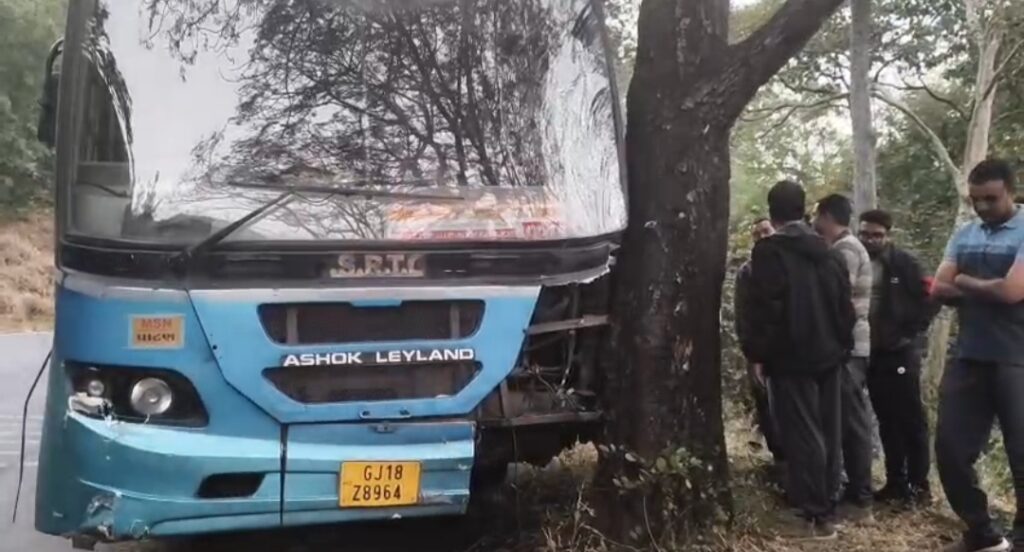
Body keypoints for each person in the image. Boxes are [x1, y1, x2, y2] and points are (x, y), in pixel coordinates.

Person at [745, 181, 855, 541]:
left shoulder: (769, 253)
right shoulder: (829, 252)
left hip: (790, 357)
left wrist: (757, 354)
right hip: (830, 356)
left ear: (772, 211)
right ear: (803, 209)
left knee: (803, 434)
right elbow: (845, 308)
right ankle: (828, 508)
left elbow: (766, 308)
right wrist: (841, 345)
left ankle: (815, 517)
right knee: (828, 432)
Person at [932, 158, 1024, 552]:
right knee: (950, 449)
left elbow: (1012, 292)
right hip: (970, 354)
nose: (982, 207)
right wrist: (990, 287)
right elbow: (938, 287)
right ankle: (982, 534)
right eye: (975, 200)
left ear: (1011, 192)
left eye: (991, 198)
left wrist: (965, 280)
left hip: (1017, 357)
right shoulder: (965, 234)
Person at [858, 209, 936, 507]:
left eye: (876, 235)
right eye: (865, 234)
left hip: (901, 352)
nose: (870, 240)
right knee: (886, 418)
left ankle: (919, 486)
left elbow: (932, 296)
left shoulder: (904, 263)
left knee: (910, 417)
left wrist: (911, 332)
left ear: (887, 236)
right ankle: (895, 483)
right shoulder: (856, 260)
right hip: (873, 352)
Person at [813, 193, 876, 523]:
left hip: (850, 347)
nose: (814, 222)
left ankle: (860, 497)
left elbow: (840, 298)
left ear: (826, 216)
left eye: (816, 216)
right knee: (845, 419)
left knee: (852, 422)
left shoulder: (845, 250)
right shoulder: (841, 248)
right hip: (846, 346)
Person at [735, 218, 785, 475]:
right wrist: (752, 354)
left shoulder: (791, 263)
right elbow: (743, 314)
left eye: (766, 231)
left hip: (790, 348)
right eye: (757, 234)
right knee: (765, 404)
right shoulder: (747, 272)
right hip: (759, 349)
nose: (763, 236)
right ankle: (780, 461)